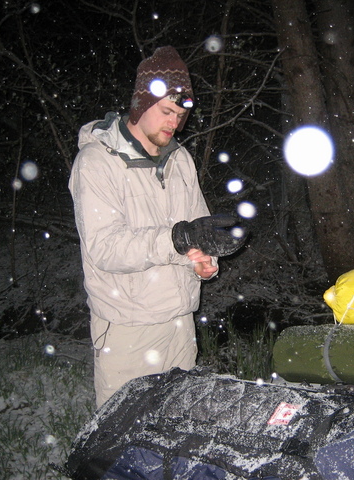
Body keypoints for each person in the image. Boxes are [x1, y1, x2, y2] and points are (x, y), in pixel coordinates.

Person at [69, 46, 246, 408]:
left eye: (180, 115)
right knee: (122, 440)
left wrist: (203, 261)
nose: (174, 123)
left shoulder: (180, 160)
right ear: (140, 104)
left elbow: (195, 229)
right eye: (166, 111)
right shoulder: (97, 163)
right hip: (128, 328)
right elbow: (106, 247)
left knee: (179, 430)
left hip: (180, 323)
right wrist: (177, 239)